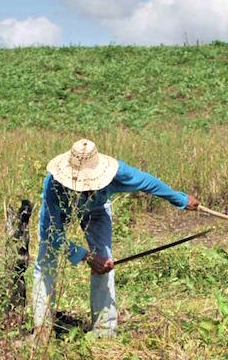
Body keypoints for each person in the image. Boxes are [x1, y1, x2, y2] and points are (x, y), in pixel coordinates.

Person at [33, 138, 199, 341]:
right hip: (62, 213)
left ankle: (104, 333)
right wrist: (84, 255)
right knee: (45, 261)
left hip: (96, 211)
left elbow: (149, 183)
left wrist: (180, 199)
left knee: (104, 261)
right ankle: (41, 331)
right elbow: (51, 233)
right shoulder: (54, 185)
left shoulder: (117, 173)